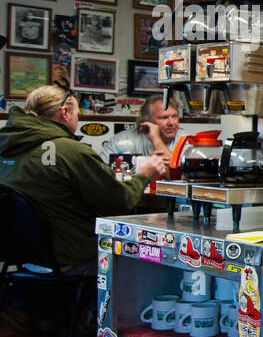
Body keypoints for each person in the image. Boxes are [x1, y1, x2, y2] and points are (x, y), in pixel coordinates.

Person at [0, 85, 167, 273]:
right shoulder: (70, 151)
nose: (78, 119)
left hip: (20, 258)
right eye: (77, 114)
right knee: (153, 253)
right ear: (65, 112)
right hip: (71, 258)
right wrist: (144, 175)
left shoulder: (6, 146)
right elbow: (119, 202)